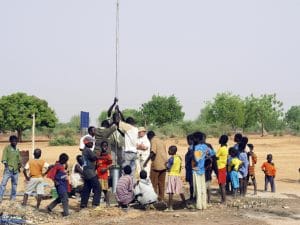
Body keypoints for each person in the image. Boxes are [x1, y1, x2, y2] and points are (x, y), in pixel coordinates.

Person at [165, 146, 188, 211]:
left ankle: (170, 207)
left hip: (171, 175)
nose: (168, 151)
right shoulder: (179, 158)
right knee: (180, 190)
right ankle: (185, 204)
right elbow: (180, 168)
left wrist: (165, 165)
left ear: (172, 151)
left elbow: (168, 168)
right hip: (177, 175)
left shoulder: (171, 159)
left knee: (170, 191)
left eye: (169, 150)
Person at [80, 136, 101, 209]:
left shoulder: (84, 150)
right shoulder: (88, 150)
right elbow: (94, 158)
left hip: (85, 171)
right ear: (87, 143)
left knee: (87, 188)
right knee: (98, 187)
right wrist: (98, 155)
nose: (93, 143)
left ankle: (83, 204)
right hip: (90, 172)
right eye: (91, 142)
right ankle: (95, 204)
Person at [147, 131, 168, 203]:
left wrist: (146, 162)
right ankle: (161, 198)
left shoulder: (153, 141)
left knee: (153, 182)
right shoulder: (161, 141)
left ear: (149, 137)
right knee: (161, 183)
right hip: (164, 164)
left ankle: (154, 198)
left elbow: (153, 152)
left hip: (156, 164)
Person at [0, 135, 21, 203]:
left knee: (14, 184)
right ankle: (0, 198)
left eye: (16, 141)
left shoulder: (17, 149)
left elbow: (19, 160)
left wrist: (19, 167)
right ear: (10, 141)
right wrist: (7, 167)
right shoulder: (7, 148)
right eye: (13, 141)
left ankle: (13, 198)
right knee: (3, 184)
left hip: (15, 170)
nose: (15, 142)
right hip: (8, 169)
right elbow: (4, 159)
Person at [96, 141, 112, 207]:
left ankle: (108, 203)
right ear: (101, 147)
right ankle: (98, 203)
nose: (104, 147)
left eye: (105, 146)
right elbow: (96, 164)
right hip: (98, 174)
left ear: (107, 147)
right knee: (98, 189)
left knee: (105, 189)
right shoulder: (99, 155)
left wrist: (105, 169)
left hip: (104, 175)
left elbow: (111, 164)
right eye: (103, 146)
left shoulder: (108, 156)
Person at [216, 134, 228, 203]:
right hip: (223, 166)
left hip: (220, 167)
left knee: (222, 184)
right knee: (222, 184)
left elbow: (216, 156)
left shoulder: (221, 149)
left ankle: (224, 200)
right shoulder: (225, 148)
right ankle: (223, 199)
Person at [185, 134, 194, 201]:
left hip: (191, 169)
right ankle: (192, 197)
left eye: (188, 140)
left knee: (192, 184)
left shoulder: (192, 149)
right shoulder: (191, 148)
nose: (187, 141)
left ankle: (192, 197)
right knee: (192, 184)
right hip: (190, 168)